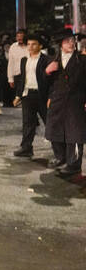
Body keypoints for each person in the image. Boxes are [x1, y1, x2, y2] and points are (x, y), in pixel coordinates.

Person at [44, 32, 86, 178]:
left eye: (73, 41)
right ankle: (60, 158)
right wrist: (47, 72)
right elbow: (46, 83)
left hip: (75, 101)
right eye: (67, 41)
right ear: (60, 44)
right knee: (55, 130)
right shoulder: (53, 60)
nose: (71, 43)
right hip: (57, 101)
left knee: (74, 134)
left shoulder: (82, 60)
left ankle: (73, 164)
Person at [12, 37, 50, 158]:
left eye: (34, 44)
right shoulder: (24, 60)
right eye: (29, 44)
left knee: (49, 121)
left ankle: (61, 150)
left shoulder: (46, 60)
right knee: (28, 122)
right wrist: (18, 95)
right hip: (27, 94)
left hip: (42, 95)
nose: (31, 47)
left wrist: (51, 97)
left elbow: (50, 80)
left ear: (40, 46)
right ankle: (26, 148)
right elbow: (22, 79)